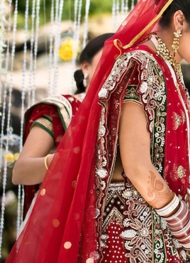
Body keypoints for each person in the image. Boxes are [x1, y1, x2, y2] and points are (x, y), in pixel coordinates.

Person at [7, 0, 190, 263]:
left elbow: (177, 171)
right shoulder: (140, 65)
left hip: (165, 230)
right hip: (131, 237)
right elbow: (138, 168)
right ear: (180, 20)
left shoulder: (171, 72)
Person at [12, 32, 114, 219]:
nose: (117, 66)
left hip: (118, 226)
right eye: (110, 57)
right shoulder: (62, 110)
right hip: (63, 220)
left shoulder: (135, 115)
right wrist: (67, 158)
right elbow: (20, 172)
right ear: (85, 67)